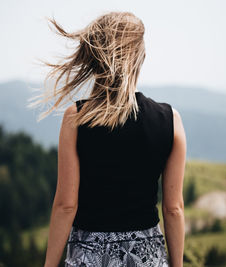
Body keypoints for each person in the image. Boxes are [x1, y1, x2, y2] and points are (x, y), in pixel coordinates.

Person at [29, 11, 186, 267]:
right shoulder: (170, 120)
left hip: (89, 257)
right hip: (146, 258)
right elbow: (173, 208)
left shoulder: (76, 118)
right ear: (140, 58)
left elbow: (66, 205)